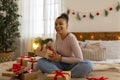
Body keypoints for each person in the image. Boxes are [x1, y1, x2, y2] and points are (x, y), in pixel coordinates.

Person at [37, 13, 93, 78]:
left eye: (60, 24)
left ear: (67, 25)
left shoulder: (71, 37)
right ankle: (64, 75)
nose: (57, 26)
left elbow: (79, 59)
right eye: (56, 24)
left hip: (71, 65)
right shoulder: (57, 35)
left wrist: (60, 58)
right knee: (40, 62)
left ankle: (60, 74)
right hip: (59, 64)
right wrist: (50, 51)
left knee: (88, 65)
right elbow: (57, 52)